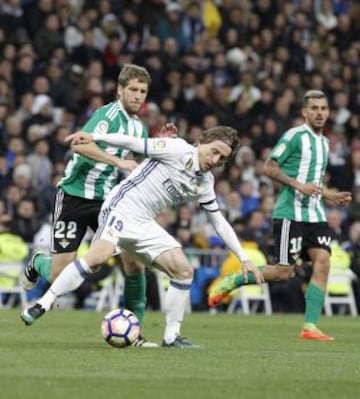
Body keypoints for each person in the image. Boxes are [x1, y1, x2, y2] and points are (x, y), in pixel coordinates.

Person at [21, 126, 263, 348]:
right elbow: (133, 143)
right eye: (214, 152)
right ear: (201, 141)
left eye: (222, 158)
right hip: (122, 207)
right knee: (97, 259)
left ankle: (171, 336)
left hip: (145, 222)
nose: (215, 160)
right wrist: (96, 137)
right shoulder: (177, 148)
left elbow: (218, 221)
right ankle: (42, 303)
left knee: (184, 270)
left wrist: (243, 258)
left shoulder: (205, 182)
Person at [20, 63, 176, 348]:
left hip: (108, 200)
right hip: (74, 196)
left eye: (143, 91)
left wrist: (160, 146)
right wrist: (118, 162)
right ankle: (37, 262)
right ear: (120, 90)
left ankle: (135, 332)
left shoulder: (139, 128)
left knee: (134, 262)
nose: (138, 96)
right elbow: (80, 144)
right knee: (58, 275)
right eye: (133, 90)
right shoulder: (107, 116)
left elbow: (137, 165)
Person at [208, 90, 352, 341]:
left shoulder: (325, 143)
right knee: (284, 272)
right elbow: (269, 167)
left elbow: (314, 181)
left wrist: (330, 195)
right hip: (290, 214)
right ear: (305, 112)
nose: (319, 112)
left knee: (324, 262)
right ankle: (235, 280)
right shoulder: (295, 136)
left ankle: (310, 326)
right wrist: (298, 186)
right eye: (314, 108)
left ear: (328, 112)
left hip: (315, 215)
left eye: (323, 108)